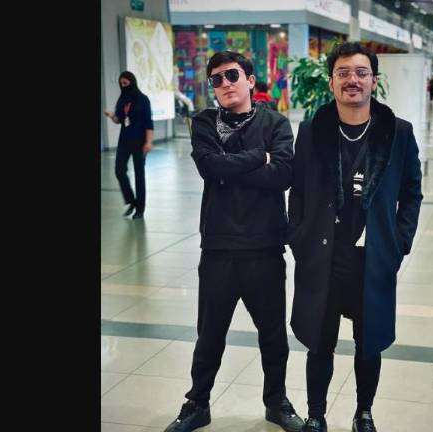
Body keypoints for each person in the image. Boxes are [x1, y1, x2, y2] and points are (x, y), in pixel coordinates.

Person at [162, 51, 304, 432]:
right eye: (217, 79)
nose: (224, 84)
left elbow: (283, 175)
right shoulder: (204, 122)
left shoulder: (275, 122)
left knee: (273, 335)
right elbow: (209, 167)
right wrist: (259, 157)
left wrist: (230, 168)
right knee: (209, 334)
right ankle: (197, 403)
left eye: (232, 75)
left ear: (250, 80)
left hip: (265, 248)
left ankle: (276, 402)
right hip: (219, 248)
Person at [287, 42, 424, 432]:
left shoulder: (398, 133)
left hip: (373, 257)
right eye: (343, 72)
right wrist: (298, 237)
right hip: (324, 256)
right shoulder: (312, 131)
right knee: (320, 341)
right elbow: (298, 190)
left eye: (361, 73)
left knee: (369, 343)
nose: (353, 80)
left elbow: (412, 192)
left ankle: (364, 412)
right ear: (331, 81)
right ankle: (316, 414)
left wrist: (399, 243)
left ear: (373, 81)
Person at [104, 71, 153, 219]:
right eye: (121, 84)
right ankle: (131, 200)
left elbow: (148, 123)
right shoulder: (122, 99)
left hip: (140, 142)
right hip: (124, 140)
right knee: (119, 170)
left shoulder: (143, 100)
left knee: (139, 175)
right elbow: (119, 120)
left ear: (132, 82)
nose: (123, 86)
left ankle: (140, 209)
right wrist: (112, 116)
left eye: (125, 83)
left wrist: (148, 142)